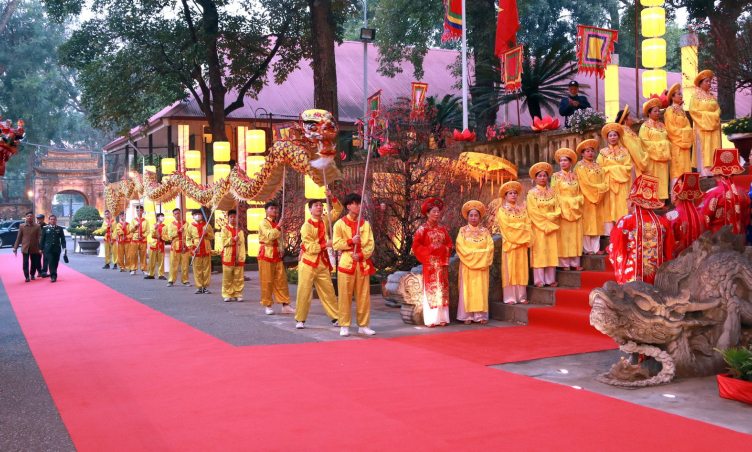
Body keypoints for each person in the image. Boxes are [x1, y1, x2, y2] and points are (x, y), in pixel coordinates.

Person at [608, 175, 675, 285]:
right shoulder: (662, 222)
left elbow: (617, 249)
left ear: (632, 202)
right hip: (657, 277)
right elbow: (670, 252)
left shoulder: (626, 221)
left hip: (632, 277)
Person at [294, 195, 342, 329]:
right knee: (304, 291)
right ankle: (300, 319)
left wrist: (332, 197)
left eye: (321, 205)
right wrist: (326, 244)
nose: (319, 207)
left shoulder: (325, 221)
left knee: (329, 291)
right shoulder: (306, 227)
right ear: (310, 209)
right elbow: (310, 247)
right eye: (316, 206)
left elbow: (338, 210)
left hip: (322, 262)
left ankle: (336, 317)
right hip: (308, 262)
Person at [333, 193, 376, 336]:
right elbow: (336, 244)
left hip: (362, 263)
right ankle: (344, 324)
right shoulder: (339, 224)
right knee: (345, 295)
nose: (358, 206)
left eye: (359, 204)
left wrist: (362, 255)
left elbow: (370, 244)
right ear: (348, 206)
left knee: (363, 295)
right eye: (355, 204)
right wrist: (351, 241)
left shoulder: (365, 224)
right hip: (346, 262)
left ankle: (363, 325)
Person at [411, 198, 453, 327]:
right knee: (431, 290)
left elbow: (449, 244)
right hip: (430, 265)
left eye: (438, 211)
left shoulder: (442, 229)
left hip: (441, 265)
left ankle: (443, 318)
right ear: (427, 214)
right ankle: (431, 319)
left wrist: (443, 250)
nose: (436, 214)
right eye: (433, 211)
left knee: (442, 290)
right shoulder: (422, 229)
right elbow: (416, 246)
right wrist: (431, 250)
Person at [455, 200, 494, 323]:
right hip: (468, 265)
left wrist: (477, 255)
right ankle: (467, 316)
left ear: (480, 217)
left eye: (476, 215)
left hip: (482, 266)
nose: (473, 218)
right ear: (467, 216)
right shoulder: (463, 231)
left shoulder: (485, 232)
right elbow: (460, 247)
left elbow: (490, 247)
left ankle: (480, 316)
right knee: (468, 290)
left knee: (481, 289)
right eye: (471, 215)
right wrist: (479, 255)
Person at [699, 148, 751, 234]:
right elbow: (747, 219)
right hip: (740, 241)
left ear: (716, 173)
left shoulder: (714, 194)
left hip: (718, 243)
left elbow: (704, 219)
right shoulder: (743, 193)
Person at [496, 182, 532, 305]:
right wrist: (521, 228)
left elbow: (528, 224)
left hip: (521, 244)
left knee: (521, 269)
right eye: (510, 193)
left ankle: (521, 296)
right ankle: (510, 297)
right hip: (510, 244)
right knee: (510, 270)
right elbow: (506, 227)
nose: (513, 195)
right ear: (505, 196)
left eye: (515, 193)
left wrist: (521, 228)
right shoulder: (502, 210)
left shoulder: (522, 209)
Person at [527, 162, 560, 287]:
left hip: (552, 224)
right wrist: (546, 220)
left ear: (548, 177)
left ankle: (550, 279)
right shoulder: (531, 193)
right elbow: (532, 211)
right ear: (535, 178)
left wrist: (552, 217)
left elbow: (557, 207)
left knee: (551, 251)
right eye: (539, 176)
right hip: (538, 226)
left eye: (544, 176)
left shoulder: (552, 192)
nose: (542, 178)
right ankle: (539, 280)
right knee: (540, 252)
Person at [258, 201, 293, 314]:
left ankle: (285, 304)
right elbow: (269, 235)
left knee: (281, 280)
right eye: (271, 208)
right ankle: (268, 304)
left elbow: (280, 239)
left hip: (276, 253)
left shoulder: (278, 223)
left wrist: (282, 248)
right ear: (266, 211)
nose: (274, 210)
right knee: (267, 280)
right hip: (266, 253)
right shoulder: (263, 223)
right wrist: (278, 226)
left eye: (275, 208)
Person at [551, 148, 584, 271]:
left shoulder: (576, 176)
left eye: (565, 160)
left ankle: (575, 262)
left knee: (575, 235)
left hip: (575, 207)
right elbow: (555, 193)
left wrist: (577, 201)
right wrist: (565, 204)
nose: (563, 163)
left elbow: (580, 191)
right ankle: (564, 263)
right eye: (561, 161)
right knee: (564, 236)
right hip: (563, 208)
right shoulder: (556, 176)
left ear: (571, 163)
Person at [598, 123, 633, 235]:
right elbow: (599, 169)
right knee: (609, 206)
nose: (613, 137)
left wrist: (611, 169)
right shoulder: (603, 153)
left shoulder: (625, 151)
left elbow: (628, 167)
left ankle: (624, 229)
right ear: (607, 138)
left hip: (622, 182)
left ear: (619, 137)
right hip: (608, 183)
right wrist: (616, 169)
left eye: (615, 135)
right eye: (610, 135)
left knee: (622, 203)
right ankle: (609, 232)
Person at [575, 139, 608, 254]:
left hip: (599, 197)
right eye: (587, 151)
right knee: (587, 223)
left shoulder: (598, 166)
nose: (590, 153)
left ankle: (596, 248)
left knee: (597, 223)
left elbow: (604, 180)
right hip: (586, 197)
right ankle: (588, 249)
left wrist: (602, 189)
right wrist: (599, 189)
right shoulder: (580, 166)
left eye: (592, 151)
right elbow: (584, 183)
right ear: (582, 153)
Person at [664, 172, 706, 257]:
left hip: (677, 262)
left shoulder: (670, 216)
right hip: (699, 260)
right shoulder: (701, 215)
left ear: (675, 196)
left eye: (671, 193)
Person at [689, 70, 721, 177]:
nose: (709, 84)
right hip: (702, 127)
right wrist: (710, 117)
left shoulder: (713, 97)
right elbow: (693, 111)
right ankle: (704, 173)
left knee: (714, 146)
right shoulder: (695, 97)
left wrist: (713, 117)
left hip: (714, 127)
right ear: (700, 83)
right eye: (706, 81)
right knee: (703, 147)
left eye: (710, 82)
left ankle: (715, 171)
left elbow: (718, 110)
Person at [640, 98, 671, 200]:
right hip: (652, 158)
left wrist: (666, 145)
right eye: (655, 111)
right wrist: (662, 145)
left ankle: (662, 200)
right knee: (654, 178)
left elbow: (668, 139)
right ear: (649, 113)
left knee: (663, 179)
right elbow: (644, 142)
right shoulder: (645, 126)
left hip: (663, 159)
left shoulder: (662, 126)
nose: (658, 113)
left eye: (659, 111)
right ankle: (653, 200)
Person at [664, 83, 694, 188]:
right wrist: (685, 132)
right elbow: (670, 129)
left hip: (685, 142)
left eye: (681, 94)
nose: (681, 96)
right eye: (678, 94)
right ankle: (677, 193)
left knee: (686, 166)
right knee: (678, 167)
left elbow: (688, 126)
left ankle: (687, 191)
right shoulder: (669, 111)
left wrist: (688, 132)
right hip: (677, 143)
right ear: (672, 97)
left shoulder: (681, 111)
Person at [186, 208, 214, 294]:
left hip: (205, 249)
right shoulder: (190, 226)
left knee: (206, 269)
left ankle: (205, 286)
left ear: (202, 215)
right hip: (196, 249)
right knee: (197, 269)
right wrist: (192, 247)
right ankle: (199, 286)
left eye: (199, 214)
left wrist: (206, 234)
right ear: (193, 216)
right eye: (195, 215)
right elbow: (188, 239)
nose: (198, 216)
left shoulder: (207, 225)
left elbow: (212, 236)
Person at [615, 105, 649, 179]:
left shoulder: (628, 131)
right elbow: (633, 149)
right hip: (632, 163)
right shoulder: (624, 132)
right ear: (625, 119)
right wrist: (643, 158)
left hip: (635, 161)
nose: (632, 118)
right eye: (630, 116)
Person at [220, 209, 246, 302]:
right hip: (228, 256)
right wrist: (232, 239)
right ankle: (227, 294)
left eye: (234, 217)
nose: (233, 219)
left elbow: (242, 245)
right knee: (227, 277)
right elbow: (223, 242)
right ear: (228, 218)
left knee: (238, 277)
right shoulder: (224, 230)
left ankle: (238, 293)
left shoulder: (240, 231)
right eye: (231, 217)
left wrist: (241, 257)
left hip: (238, 256)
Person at [165, 207, 191, 287]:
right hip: (175, 246)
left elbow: (189, 235)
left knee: (185, 264)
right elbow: (169, 235)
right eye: (175, 214)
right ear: (173, 215)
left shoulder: (186, 224)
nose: (177, 215)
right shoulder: (171, 225)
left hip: (184, 245)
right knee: (173, 264)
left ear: (181, 214)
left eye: (178, 213)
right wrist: (178, 231)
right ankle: (171, 280)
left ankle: (185, 280)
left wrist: (186, 246)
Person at [13, 211, 42, 282]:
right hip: (25, 247)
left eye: (31, 216)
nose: (29, 217)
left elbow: (39, 236)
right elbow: (19, 237)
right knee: (25, 262)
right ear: (26, 217)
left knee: (34, 262)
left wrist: (40, 247)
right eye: (28, 216)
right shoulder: (22, 226)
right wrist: (15, 247)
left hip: (34, 247)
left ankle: (32, 274)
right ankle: (26, 276)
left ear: (33, 217)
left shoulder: (37, 226)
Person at [39, 215, 67, 283]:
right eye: (51, 219)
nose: (52, 221)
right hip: (48, 248)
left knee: (55, 262)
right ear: (49, 220)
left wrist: (64, 247)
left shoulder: (59, 228)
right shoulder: (45, 228)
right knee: (50, 261)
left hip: (57, 248)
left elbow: (63, 239)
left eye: (54, 219)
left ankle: (54, 272)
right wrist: (40, 248)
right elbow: (42, 239)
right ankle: (53, 276)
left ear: (56, 220)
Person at [128, 205, 150, 275]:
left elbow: (148, 230)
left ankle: (144, 269)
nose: (138, 212)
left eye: (140, 210)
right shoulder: (133, 220)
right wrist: (136, 226)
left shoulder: (146, 221)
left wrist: (143, 236)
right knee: (133, 254)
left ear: (142, 211)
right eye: (137, 210)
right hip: (135, 238)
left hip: (142, 240)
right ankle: (133, 269)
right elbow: (130, 229)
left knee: (143, 255)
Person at [145, 213, 166, 280]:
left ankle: (161, 274)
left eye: (163, 216)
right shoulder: (153, 225)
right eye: (161, 216)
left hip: (161, 244)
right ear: (157, 217)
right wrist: (155, 229)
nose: (162, 217)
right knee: (152, 259)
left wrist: (162, 237)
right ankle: (151, 274)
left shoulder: (165, 227)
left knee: (161, 260)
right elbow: (152, 234)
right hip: (154, 243)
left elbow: (167, 236)